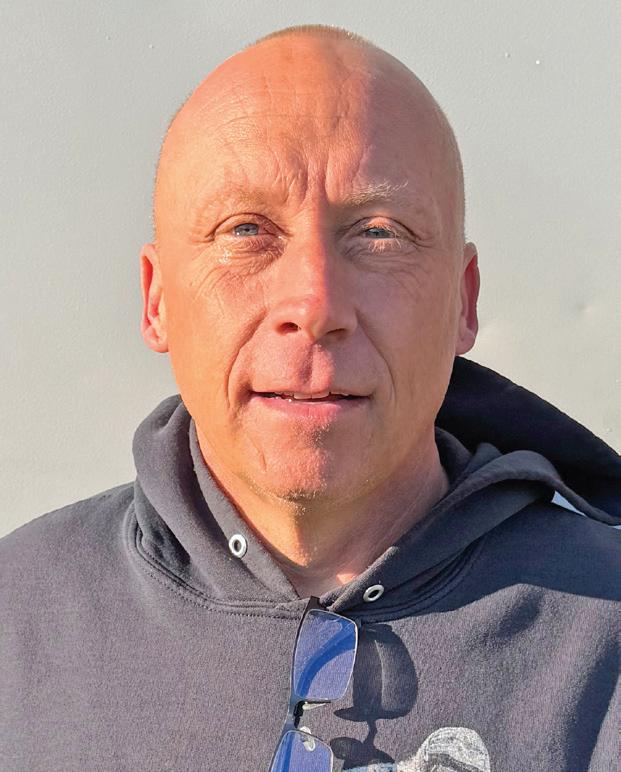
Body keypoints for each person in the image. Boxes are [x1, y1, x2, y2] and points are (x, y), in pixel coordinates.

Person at [1, 25, 619, 772]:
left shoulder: (604, 635)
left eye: (379, 233)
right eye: (246, 230)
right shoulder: (18, 621)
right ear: (157, 299)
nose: (315, 302)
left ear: (463, 301)